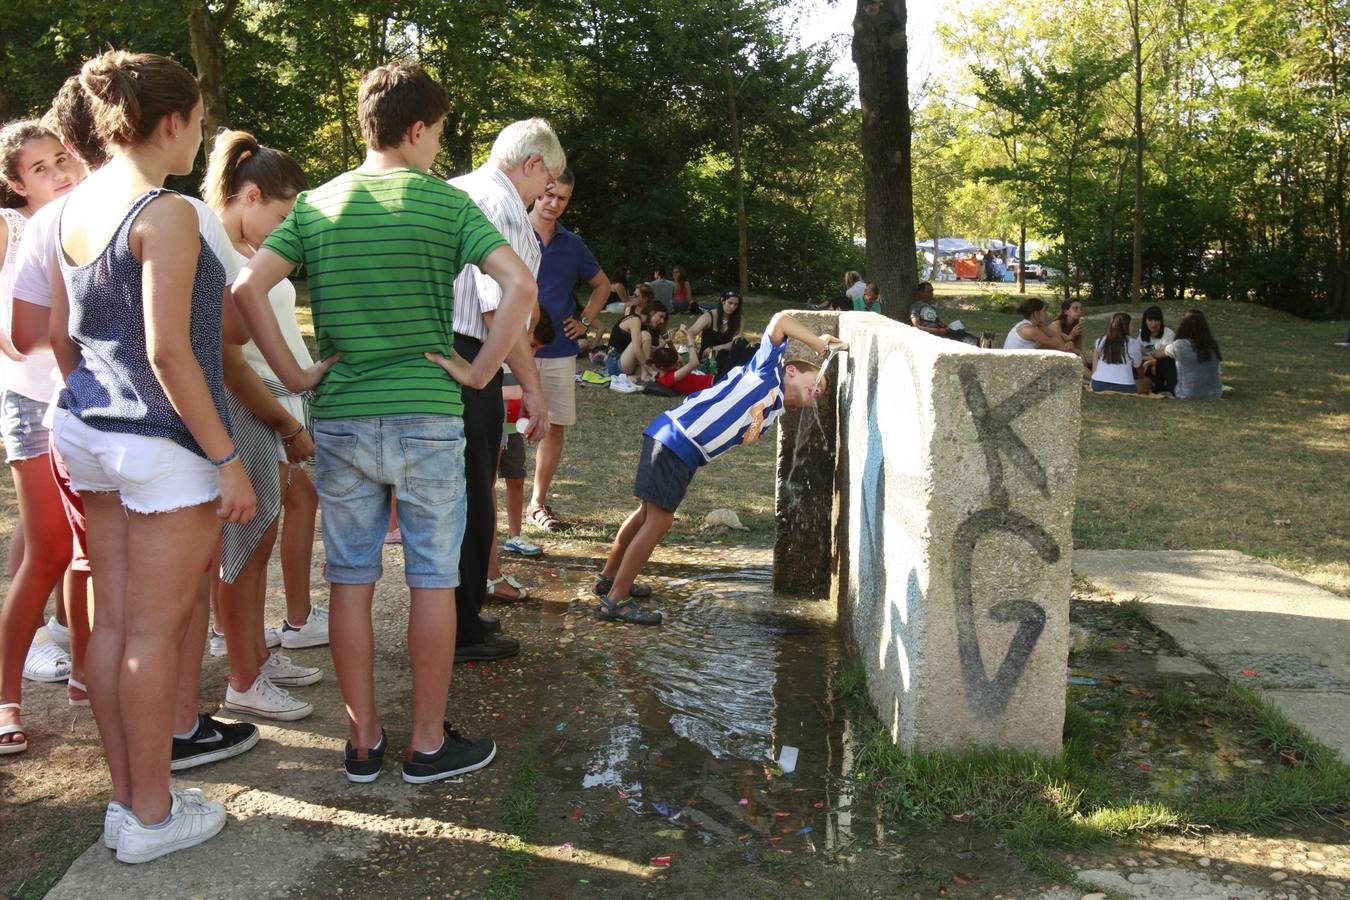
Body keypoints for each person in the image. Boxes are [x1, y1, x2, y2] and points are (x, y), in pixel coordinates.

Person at [234, 62, 537, 784]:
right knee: (433, 579)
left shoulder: (314, 207)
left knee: (350, 579)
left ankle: (364, 740)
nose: (439, 147)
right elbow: (519, 284)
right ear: (415, 128)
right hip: (429, 417)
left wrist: (303, 374)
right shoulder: (446, 206)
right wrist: (481, 369)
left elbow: (248, 288)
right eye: (438, 133)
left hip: (341, 419)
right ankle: (427, 745)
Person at [10, 72, 262, 773]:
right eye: (200, 120)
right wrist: (226, 459)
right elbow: (169, 349)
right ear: (172, 122)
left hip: (88, 434)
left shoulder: (68, 209)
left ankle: (130, 803)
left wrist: (98, 400)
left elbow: (61, 338)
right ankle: (149, 813)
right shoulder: (167, 212)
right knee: (154, 632)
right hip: (162, 447)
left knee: (115, 624)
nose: (202, 135)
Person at [591, 312, 845, 624]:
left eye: (821, 393)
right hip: (677, 440)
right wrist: (816, 342)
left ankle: (610, 579)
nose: (818, 391)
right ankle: (615, 600)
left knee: (646, 516)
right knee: (659, 522)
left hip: (676, 443)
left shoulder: (775, 407)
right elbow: (779, 320)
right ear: (791, 370)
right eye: (816, 383)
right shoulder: (766, 373)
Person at [203, 130, 322, 721]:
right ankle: (243, 678)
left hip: (259, 412)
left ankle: (253, 657)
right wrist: (286, 421)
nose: (282, 232)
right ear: (248, 196)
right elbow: (229, 364)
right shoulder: (220, 251)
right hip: (242, 411)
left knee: (257, 542)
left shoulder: (240, 253)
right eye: (277, 216)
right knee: (242, 550)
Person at [447, 118, 560, 664]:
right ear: (532, 163)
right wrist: (533, 389)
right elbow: (501, 309)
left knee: (462, 490)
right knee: (472, 491)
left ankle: (463, 610)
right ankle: (461, 628)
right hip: (470, 354)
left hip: (450, 348)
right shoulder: (503, 206)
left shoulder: (460, 188)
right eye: (548, 179)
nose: (547, 194)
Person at [0, 119, 79, 755]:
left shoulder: (85, 217)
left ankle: (78, 663)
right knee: (50, 552)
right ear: (15, 185)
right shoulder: (14, 228)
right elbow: (16, 336)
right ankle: (5, 698)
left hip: (80, 401)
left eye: (62, 159)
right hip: (32, 401)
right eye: (40, 169)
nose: (58, 174)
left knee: (59, 547)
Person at [525, 168, 610, 535]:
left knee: (554, 426)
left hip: (559, 351)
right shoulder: (510, 231)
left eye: (562, 198)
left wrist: (585, 321)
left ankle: (537, 503)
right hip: (514, 348)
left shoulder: (572, 244)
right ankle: (492, 499)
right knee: (504, 429)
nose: (553, 204)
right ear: (535, 193)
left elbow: (602, 285)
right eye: (548, 194)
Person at [1152, 309, 1222, 400]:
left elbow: (1155, 354)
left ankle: (1159, 387)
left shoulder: (1181, 345)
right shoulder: (1212, 345)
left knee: (1164, 359)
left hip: (1186, 394)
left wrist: (1165, 347)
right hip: (1214, 394)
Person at [605, 291, 668, 388]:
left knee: (661, 366)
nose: (662, 321)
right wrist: (648, 369)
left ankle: (635, 376)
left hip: (626, 361)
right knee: (645, 336)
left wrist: (662, 346)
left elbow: (646, 352)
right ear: (651, 312)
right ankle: (644, 374)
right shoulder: (635, 320)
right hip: (615, 362)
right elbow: (637, 349)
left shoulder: (643, 325)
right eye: (661, 316)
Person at [687, 288, 752, 379]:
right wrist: (692, 348)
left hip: (727, 352)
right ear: (722, 300)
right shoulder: (709, 317)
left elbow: (737, 342)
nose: (732, 307)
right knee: (724, 356)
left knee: (748, 348)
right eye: (730, 303)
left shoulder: (739, 318)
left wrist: (716, 347)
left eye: (736, 304)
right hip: (709, 355)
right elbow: (691, 332)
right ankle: (722, 379)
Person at [1089, 312, 1145, 393]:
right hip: (1125, 387)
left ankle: (1093, 377)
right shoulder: (1133, 343)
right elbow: (1138, 367)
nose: (1133, 327)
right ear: (1125, 327)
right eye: (1131, 325)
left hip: (1098, 385)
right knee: (1147, 383)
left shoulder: (1100, 341)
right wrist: (1141, 377)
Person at [1003, 298, 1076, 351]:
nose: (1046, 314)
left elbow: (1056, 336)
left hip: (1022, 360)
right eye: (1044, 311)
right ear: (1036, 313)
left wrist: (1068, 344)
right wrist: (1068, 345)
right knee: (1060, 349)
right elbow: (1056, 345)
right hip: (1015, 365)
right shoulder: (1030, 330)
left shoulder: (1035, 325)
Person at [1137, 305, 1177, 394]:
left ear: (1161, 321)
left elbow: (1166, 357)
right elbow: (1137, 355)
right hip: (1146, 365)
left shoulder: (1168, 334)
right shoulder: (1141, 336)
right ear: (1145, 321)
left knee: (1156, 367)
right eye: (1150, 320)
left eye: (1156, 320)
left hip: (1164, 365)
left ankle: (1162, 385)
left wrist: (1148, 361)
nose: (1153, 324)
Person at [648, 346, 714, 395]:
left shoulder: (666, 373)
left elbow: (678, 357)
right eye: (675, 364)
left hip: (711, 380)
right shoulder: (668, 378)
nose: (677, 363)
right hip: (713, 384)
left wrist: (670, 343)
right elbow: (694, 363)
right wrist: (691, 342)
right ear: (662, 367)